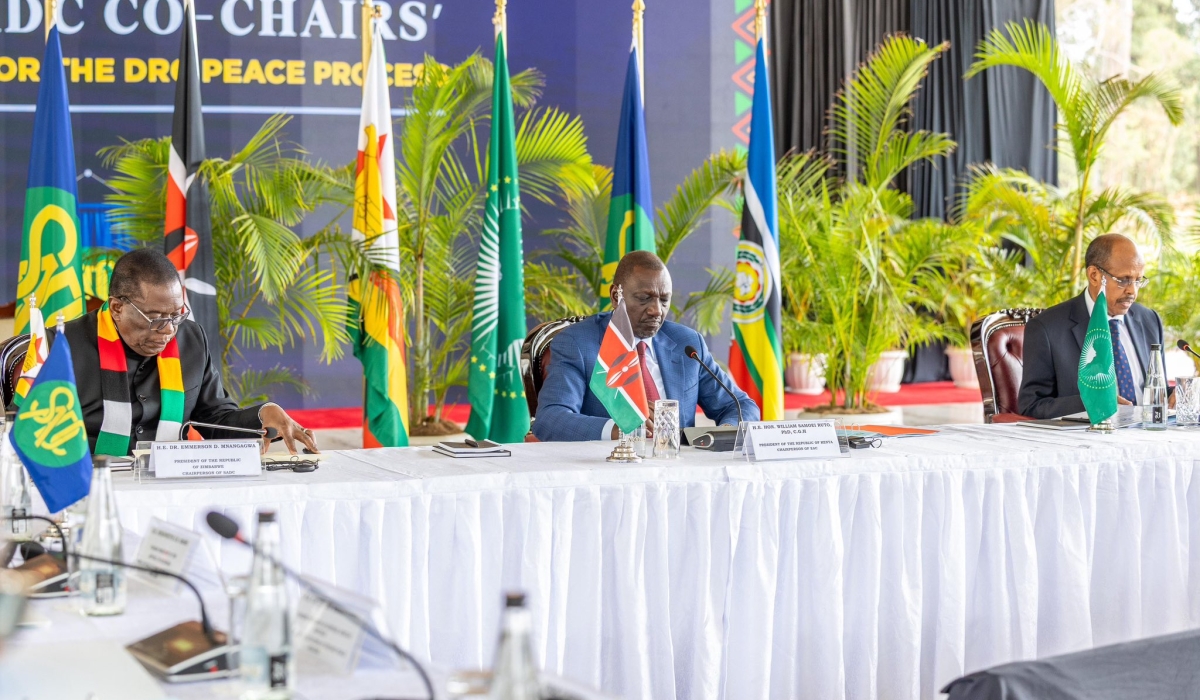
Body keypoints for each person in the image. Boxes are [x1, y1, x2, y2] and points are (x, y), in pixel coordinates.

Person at [46, 248, 318, 455]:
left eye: (176, 315)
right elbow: (31, 430)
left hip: (171, 482)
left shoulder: (191, 339)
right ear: (117, 307)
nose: (167, 330)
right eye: (155, 317)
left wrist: (263, 414)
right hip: (89, 483)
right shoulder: (59, 347)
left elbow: (214, 419)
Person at [532, 251, 760, 441]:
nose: (656, 310)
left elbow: (741, 406)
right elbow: (551, 418)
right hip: (609, 472)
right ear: (616, 295)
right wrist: (621, 428)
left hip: (681, 473)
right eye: (644, 298)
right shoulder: (578, 344)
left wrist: (723, 433)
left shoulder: (687, 344)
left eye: (664, 300)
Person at [1018, 233, 1169, 419]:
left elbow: (1156, 390)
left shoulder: (1149, 320)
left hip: (1149, 438)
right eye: (1124, 280)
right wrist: (1093, 402)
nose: (1133, 291)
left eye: (1138, 280)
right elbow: (1031, 405)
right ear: (1094, 275)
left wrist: (1177, 396)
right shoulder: (1047, 328)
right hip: (1088, 439)